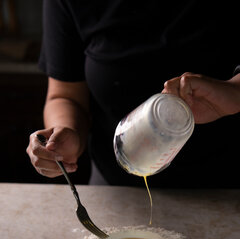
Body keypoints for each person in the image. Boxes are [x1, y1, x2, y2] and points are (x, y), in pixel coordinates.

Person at [26, 1, 240, 188]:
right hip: (117, 187)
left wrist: (235, 91)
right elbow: (65, 96)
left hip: (227, 184)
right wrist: (63, 134)